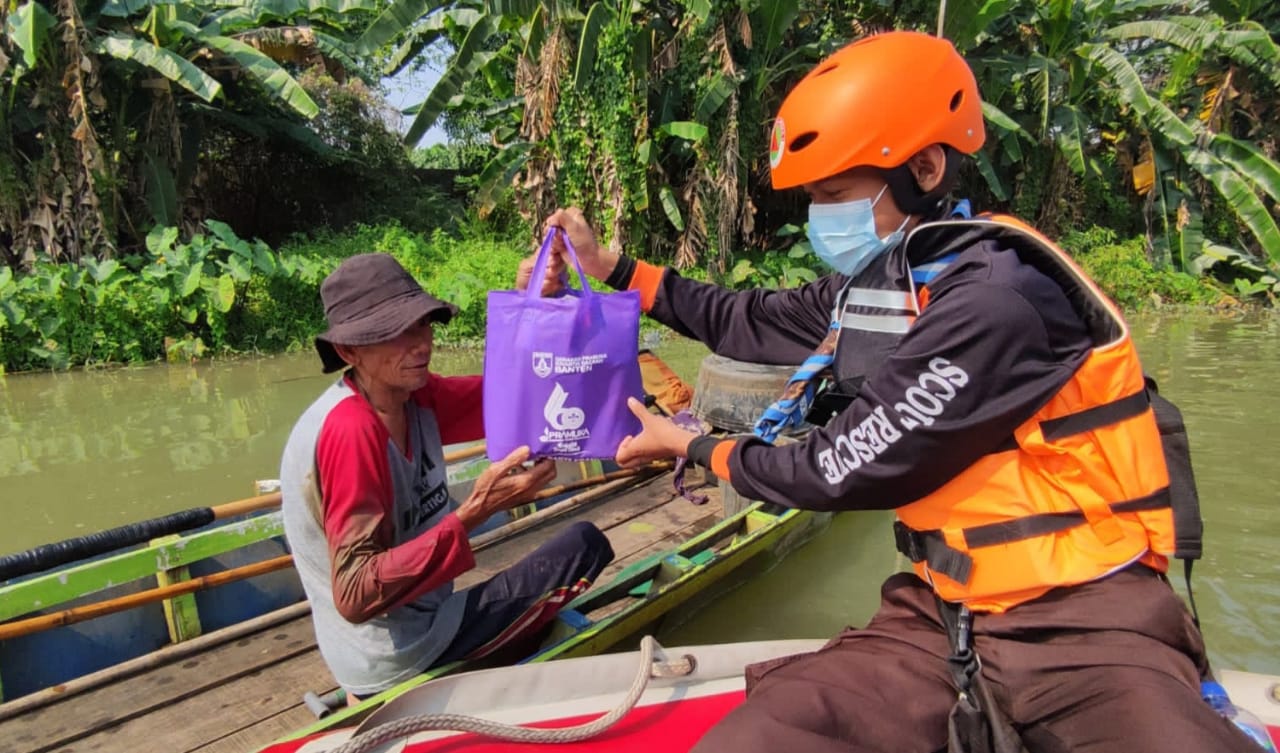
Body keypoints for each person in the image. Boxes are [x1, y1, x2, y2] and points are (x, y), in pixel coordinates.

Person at [522, 30, 1258, 753]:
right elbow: (746, 318)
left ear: (926, 168)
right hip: (944, 611)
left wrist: (692, 445)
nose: (820, 216)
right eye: (814, 197)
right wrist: (610, 265)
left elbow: (835, 466)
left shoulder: (995, 300)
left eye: (835, 194)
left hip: (1085, 621)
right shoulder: (887, 283)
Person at [280, 253, 613, 702]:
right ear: (349, 351)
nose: (421, 344)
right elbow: (356, 595)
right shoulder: (351, 429)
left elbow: (513, 394)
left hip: (420, 617)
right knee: (584, 545)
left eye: (423, 325)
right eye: (396, 333)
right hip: (399, 653)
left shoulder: (414, 395)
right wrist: (477, 511)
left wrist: (532, 304)